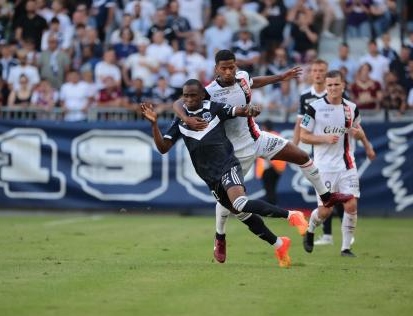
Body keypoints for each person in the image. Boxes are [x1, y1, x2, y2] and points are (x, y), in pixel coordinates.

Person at [173, 50, 353, 263]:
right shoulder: (209, 91)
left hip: (257, 138)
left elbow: (253, 82)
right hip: (234, 153)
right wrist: (185, 117)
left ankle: (326, 196)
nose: (229, 71)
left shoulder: (242, 77)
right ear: (216, 69)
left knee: (302, 156)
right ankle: (220, 236)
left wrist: (280, 77)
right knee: (231, 203)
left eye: (232, 66)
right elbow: (178, 103)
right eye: (224, 68)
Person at [142, 79, 308, 268]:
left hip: (228, 165)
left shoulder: (213, 108)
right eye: (185, 95)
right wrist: (154, 125)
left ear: (203, 95)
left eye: (193, 95)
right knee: (242, 214)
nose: (188, 99)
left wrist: (249, 110)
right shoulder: (180, 119)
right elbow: (163, 148)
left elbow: (236, 110)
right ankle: (279, 244)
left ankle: (292, 215)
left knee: (240, 203)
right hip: (210, 177)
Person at [301, 70, 375, 257]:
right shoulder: (314, 108)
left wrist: (367, 146)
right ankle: (310, 229)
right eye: (330, 85)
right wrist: (324, 138)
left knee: (351, 205)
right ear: (325, 86)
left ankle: (346, 248)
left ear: (343, 85)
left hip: (346, 165)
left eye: (336, 84)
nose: (333, 88)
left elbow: (357, 129)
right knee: (325, 212)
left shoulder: (351, 108)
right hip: (324, 168)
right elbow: (304, 136)